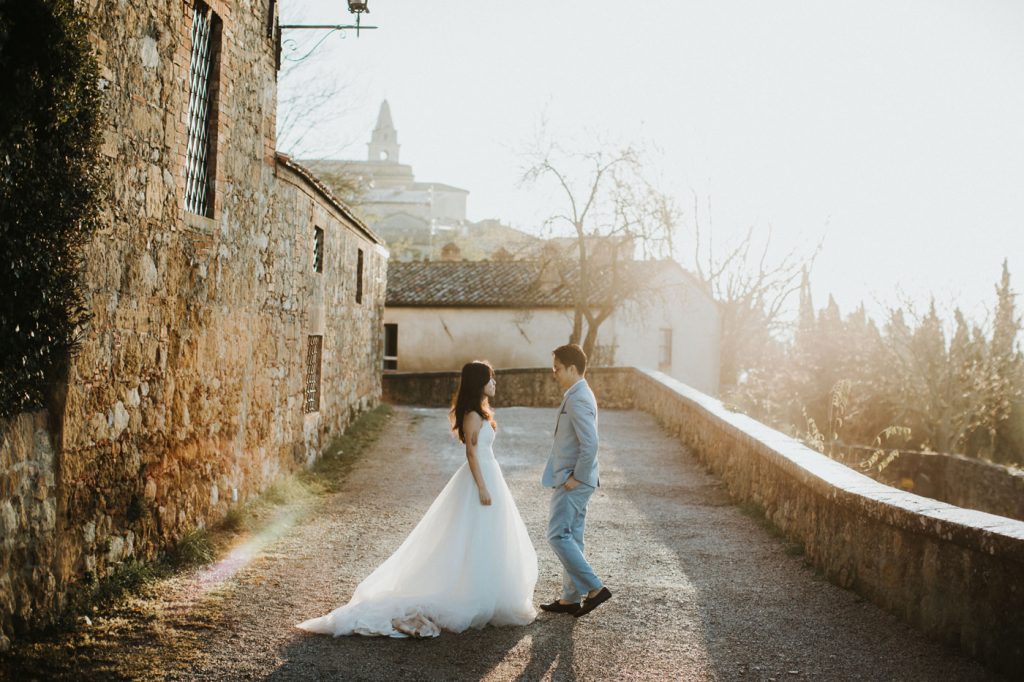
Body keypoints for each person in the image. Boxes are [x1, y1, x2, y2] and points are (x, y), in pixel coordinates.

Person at [296, 361, 538, 638]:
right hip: (480, 478)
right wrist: (482, 487)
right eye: (491, 379)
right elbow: (471, 453)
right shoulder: (472, 414)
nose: (495, 384)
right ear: (479, 383)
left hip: (491, 473)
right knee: (474, 533)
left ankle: (484, 589)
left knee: (488, 535)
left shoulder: (481, 412)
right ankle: (471, 593)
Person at [540, 344, 612, 618]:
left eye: (557, 368)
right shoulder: (579, 393)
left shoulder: (578, 397)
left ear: (572, 368)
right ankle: (570, 598)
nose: (554, 373)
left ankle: (595, 588)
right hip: (580, 479)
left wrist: (576, 477)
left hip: (575, 480)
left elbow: (590, 443)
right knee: (573, 537)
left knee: (557, 535)